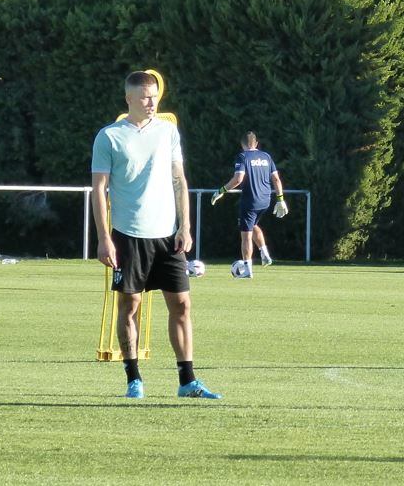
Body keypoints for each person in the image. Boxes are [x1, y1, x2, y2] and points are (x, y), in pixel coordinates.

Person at [91, 70, 220, 400]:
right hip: (128, 234)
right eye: (145, 97)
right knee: (130, 305)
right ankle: (134, 377)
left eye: (155, 96)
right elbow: (99, 189)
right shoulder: (109, 137)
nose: (151, 102)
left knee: (182, 305)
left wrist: (186, 226)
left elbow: (179, 180)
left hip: (168, 235)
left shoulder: (168, 132)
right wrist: (104, 237)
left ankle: (187, 380)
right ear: (129, 99)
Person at [210, 131, 288, 278]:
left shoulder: (242, 156)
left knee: (246, 235)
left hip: (250, 200)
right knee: (253, 225)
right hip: (265, 200)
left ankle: (247, 269)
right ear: (256, 143)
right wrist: (280, 199)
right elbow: (276, 180)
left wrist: (221, 190)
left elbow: (238, 179)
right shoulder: (266, 156)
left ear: (242, 145)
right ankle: (264, 254)